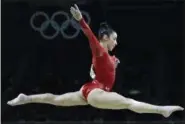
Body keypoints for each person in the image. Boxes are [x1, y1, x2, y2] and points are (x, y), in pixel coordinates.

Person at [7, 4, 184, 118]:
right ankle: (162, 110)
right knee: (129, 103)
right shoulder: (99, 49)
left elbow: (102, 69)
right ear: (105, 37)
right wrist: (81, 21)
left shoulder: (107, 56)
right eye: (114, 39)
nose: (116, 42)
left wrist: (111, 63)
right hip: (96, 92)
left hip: (89, 89)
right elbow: (91, 38)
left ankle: (26, 98)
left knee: (56, 99)